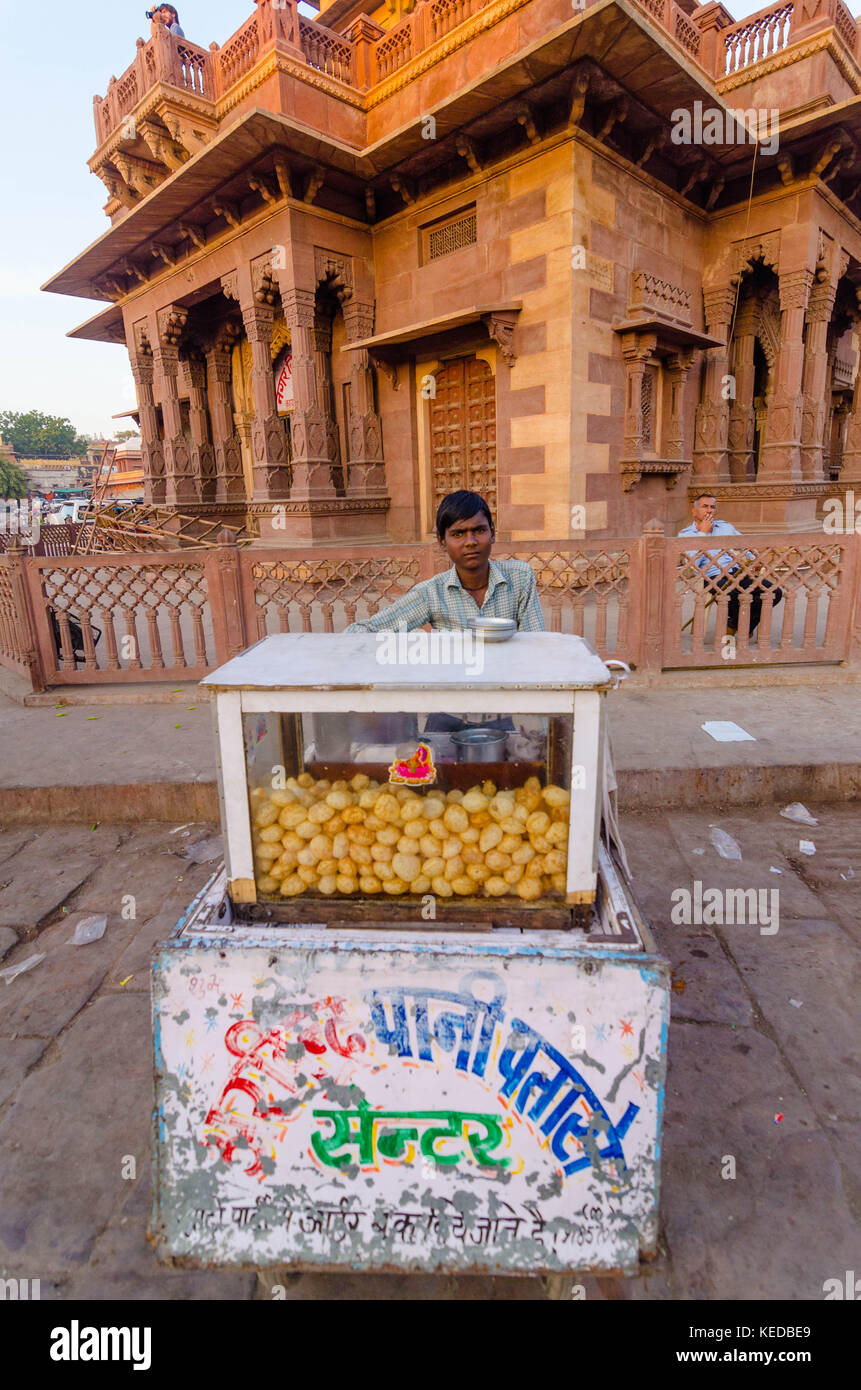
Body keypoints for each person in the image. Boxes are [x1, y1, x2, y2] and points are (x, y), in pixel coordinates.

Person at [345, 489, 546, 634]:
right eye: (458, 534)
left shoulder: (520, 577)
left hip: (507, 686)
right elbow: (364, 631)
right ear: (442, 542)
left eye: (479, 530)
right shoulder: (431, 593)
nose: (470, 542)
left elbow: (535, 643)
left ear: (492, 534)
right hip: (458, 687)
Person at [678, 492, 782, 637]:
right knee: (733, 595)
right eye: (705, 507)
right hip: (713, 576)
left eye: (712, 507)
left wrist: (754, 558)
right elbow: (694, 565)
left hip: (738, 572)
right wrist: (702, 534)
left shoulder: (725, 527)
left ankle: (734, 624)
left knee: (774, 593)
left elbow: (745, 545)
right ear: (694, 511)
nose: (709, 510)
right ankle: (743, 626)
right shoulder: (686, 534)